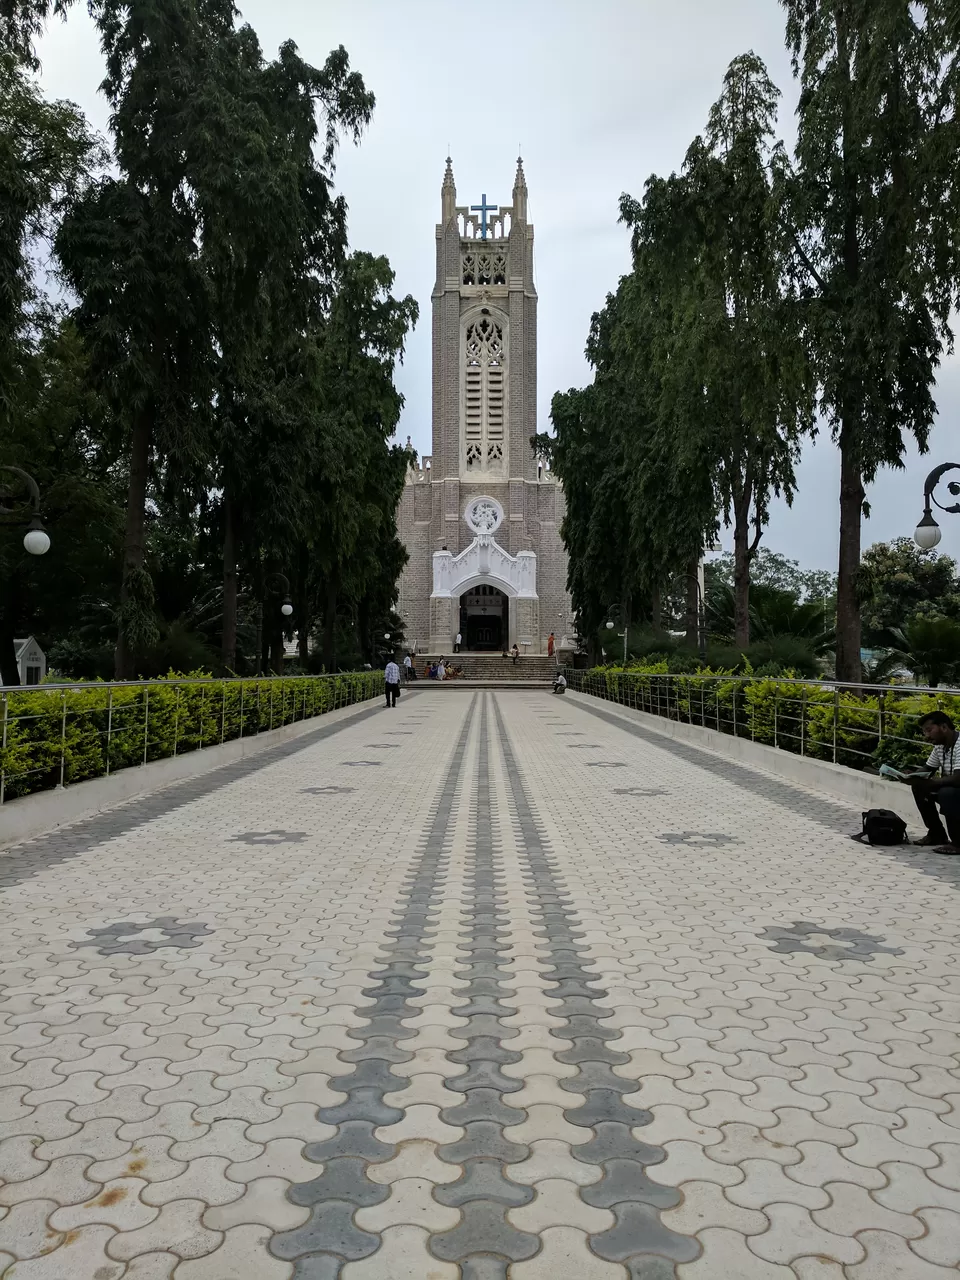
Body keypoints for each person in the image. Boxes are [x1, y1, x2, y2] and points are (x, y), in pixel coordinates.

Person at [911, 711, 960, 851]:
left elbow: (958, 778)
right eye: (924, 732)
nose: (926, 736)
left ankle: (958, 843)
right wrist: (912, 776)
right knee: (919, 787)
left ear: (944, 727)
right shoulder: (940, 746)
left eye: (929, 730)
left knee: (947, 793)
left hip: (956, 789)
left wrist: (932, 782)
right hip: (954, 789)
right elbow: (928, 768)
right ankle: (936, 834)